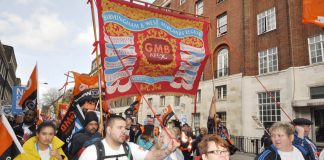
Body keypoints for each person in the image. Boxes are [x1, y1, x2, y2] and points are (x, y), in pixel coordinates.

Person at [79, 115, 180, 160]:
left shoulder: (130, 147)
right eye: (119, 127)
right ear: (109, 130)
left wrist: (168, 151)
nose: (124, 131)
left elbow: (151, 156)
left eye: (124, 127)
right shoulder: (92, 151)